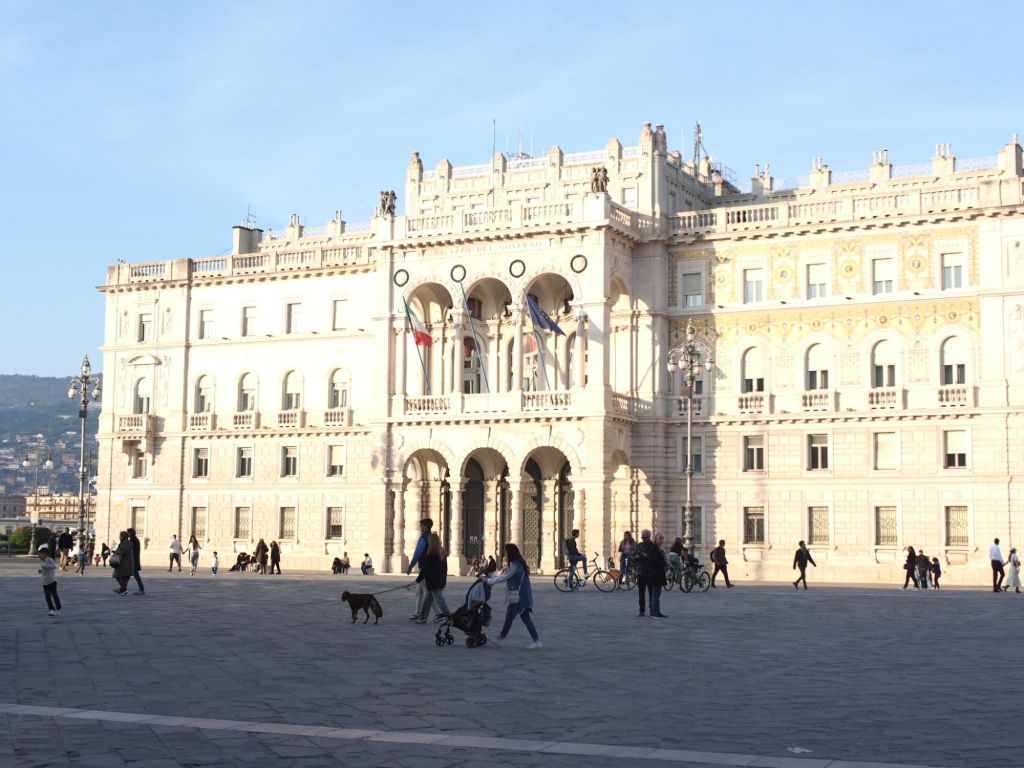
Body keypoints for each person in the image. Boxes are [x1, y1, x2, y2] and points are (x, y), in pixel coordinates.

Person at [486, 543, 542, 648]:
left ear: (510, 553)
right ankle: (501, 638)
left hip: (520, 596)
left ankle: (536, 641)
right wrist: (491, 579)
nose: (505, 554)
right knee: (513, 616)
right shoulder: (517, 563)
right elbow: (503, 575)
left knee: (522, 617)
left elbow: (505, 577)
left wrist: (489, 581)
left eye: (506, 552)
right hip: (522, 595)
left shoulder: (514, 565)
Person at [414, 533, 451, 623]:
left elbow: (425, 569)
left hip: (433, 581)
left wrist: (418, 579)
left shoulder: (431, 554)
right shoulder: (442, 553)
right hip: (440, 580)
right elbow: (445, 569)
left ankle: (449, 616)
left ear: (431, 542)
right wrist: (444, 579)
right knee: (428, 599)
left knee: (439, 599)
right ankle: (423, 618)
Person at [406, 518, 433, 622]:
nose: (420, 527)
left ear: (425, 526)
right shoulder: (432, 537)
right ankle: (418, 612)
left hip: (424, 568)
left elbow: (418, 553)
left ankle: (437, 614)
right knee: (420, 590)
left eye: (421, 526)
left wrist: (410, 566)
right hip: (430, 567)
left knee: (427, 592)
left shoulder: (423, 538)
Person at [38, 544, 61, 617]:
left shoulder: (49, 560)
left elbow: (54, 566)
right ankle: (51, 609)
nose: (39, 555)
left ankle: (58, 608)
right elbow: (44, 569)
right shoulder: (42, 561)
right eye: (39, 554)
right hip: (45, 581)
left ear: (45, 554)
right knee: (47, 597)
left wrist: (45, 565)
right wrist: (41, 571)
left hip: (52, 581)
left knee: (54, 595)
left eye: (40, 554)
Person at [112, 531, 134, 595]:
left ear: (122, 536)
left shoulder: (125, 543)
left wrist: (116, 552)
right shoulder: (128, 542)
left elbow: (124, 551)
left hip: (124, 562)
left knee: (117, 575)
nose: (119, 537)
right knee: (125, 577)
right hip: (128, 562)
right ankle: (122, 590)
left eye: (120, 536)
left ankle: (123, 589)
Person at [127, 528, 144, 595]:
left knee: (135, 575)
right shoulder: (134, 539)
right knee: (130, 575)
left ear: (131, 533)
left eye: (128, 533)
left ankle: (141, 589)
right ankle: (123, 588)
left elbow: (130, 550)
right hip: (134, 560)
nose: (127, 534)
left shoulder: (133, 540)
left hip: (133, 560)